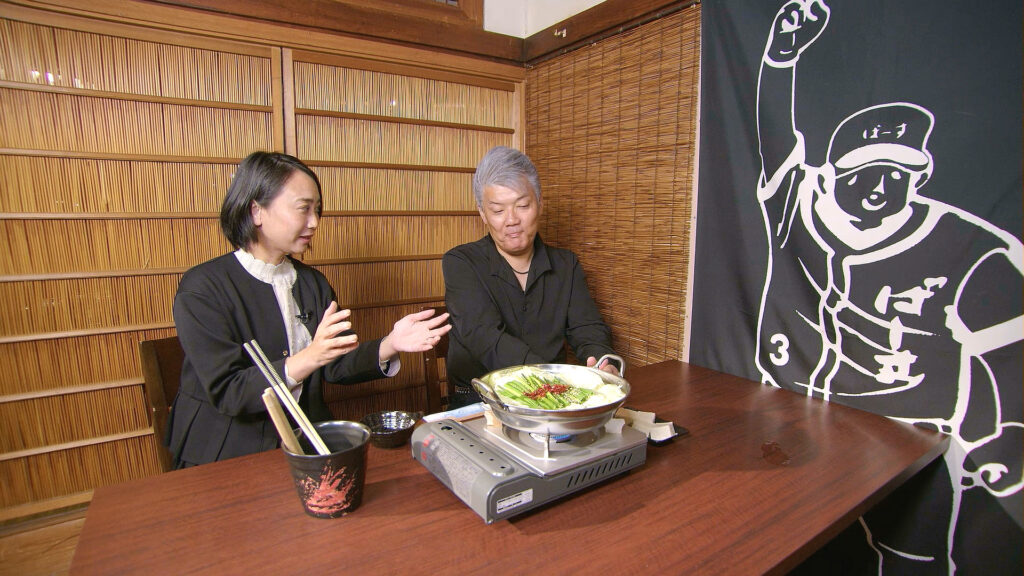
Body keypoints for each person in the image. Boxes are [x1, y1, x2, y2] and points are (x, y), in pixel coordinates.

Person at [755, 1, 1022, 572]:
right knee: (784, 547)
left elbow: (1009, 349)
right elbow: (774, 141)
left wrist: (1007, 435)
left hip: (904, 445)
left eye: (897, 175)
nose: (880, 188)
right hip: (792, 424)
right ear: (835, 172)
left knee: (909, 560)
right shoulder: (796, 205)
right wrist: (780, 60)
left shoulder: (967, 246)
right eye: (865, 173)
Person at [167, 151, 450, 468]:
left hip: (306, 442)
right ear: (256, 211)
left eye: (317, 210)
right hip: (226, 453)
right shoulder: (203, 287)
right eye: (303, 208)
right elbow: (229, 392)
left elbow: (335, 365)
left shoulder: (312, 283)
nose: (314, 222)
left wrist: (391, 344)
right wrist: (309, 357)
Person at [442, 146, 620, 409]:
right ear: (483, 214)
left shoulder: (566, 265)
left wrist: (603, 361)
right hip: (481, 400)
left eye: (522, 205)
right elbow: (484, 336)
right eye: (498, 210)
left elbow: (587, 327)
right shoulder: (461, 262)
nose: (511, 220)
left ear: (539, 204)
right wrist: (554, 380)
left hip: (557, 398)